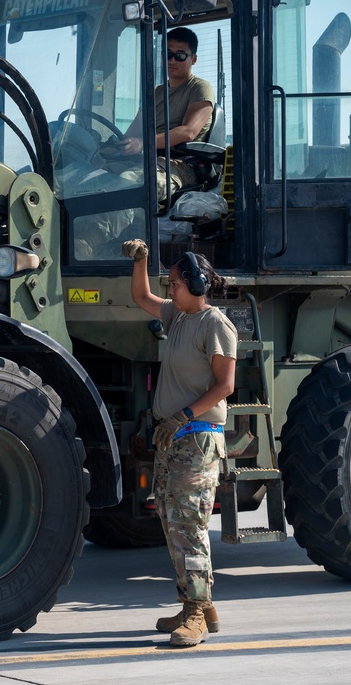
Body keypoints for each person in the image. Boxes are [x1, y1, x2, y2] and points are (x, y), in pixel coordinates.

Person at [122, 238, 237, 648]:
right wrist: (142, 260)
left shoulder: (215, 324)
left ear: (196, 284)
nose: (168, 289)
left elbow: (226, 385)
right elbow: (140, 296)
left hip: (197, 437)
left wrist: (183, 416)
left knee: (188, 524)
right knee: (171, 521)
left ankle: (196, 615)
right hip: (173, 437)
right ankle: (200, 606)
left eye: (174, 283)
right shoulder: (178, 317)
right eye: (168, 283)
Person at [105, 27, 216, 202]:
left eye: (180, 55)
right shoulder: (155, 93)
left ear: (193, 59)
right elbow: (130, 135)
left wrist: (143, 144)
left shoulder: (200, 88)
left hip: (182, 164)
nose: (172, 60)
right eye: (168, 54)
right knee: (94, 177)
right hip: (147, 160)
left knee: (131, 183)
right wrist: (103, 150)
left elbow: (188, 131)